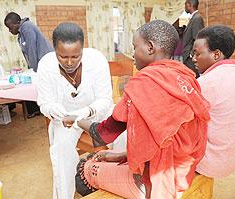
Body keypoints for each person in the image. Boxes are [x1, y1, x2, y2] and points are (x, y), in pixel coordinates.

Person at [63, 20, 210, 198]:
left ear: (150, 47)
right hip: (182, 172)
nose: (132, 54)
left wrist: (76, 120)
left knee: (83, 168)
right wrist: (122, 155)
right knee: (107, 158)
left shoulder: (143, 84)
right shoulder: (186, 78)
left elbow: (103, 132)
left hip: (155, 182)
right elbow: (164, 139)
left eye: (134, 47)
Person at [37, 22, 113, 199]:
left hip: (96, 115)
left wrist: (84, 112)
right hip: (65, 120)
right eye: (62, 56)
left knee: (125, 135)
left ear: (83, 49)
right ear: (54, 49)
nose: (70, 62)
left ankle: (124, 186)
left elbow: (105, 100)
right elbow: (44, 103)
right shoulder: (46, 65)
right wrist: (53, 109)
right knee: (61, 151)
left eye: (76, 56)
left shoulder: (97, 60)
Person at [191, 25, 235, 178]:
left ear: (216, 54)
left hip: (208, 163)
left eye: (197, 53)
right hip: (232, 160)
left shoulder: (208, 82)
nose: (193, 58)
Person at [4, 12, 53, 118]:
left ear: (17, 22)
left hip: (46, 62)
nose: (10, 30)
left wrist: (34, 70)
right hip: (41, 62)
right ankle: (40, 109)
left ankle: (50, 110)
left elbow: (31, 50)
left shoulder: (26, 27)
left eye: (10, 27)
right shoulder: (21, 33)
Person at [182, 0, 204, 77]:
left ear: (189, 5)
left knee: (193, 78)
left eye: (185, 5)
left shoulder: (197, 18)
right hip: (188, 57)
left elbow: (198, 38)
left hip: (190, 58)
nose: (184, 7)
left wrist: (191, 54)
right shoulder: (193, 18)